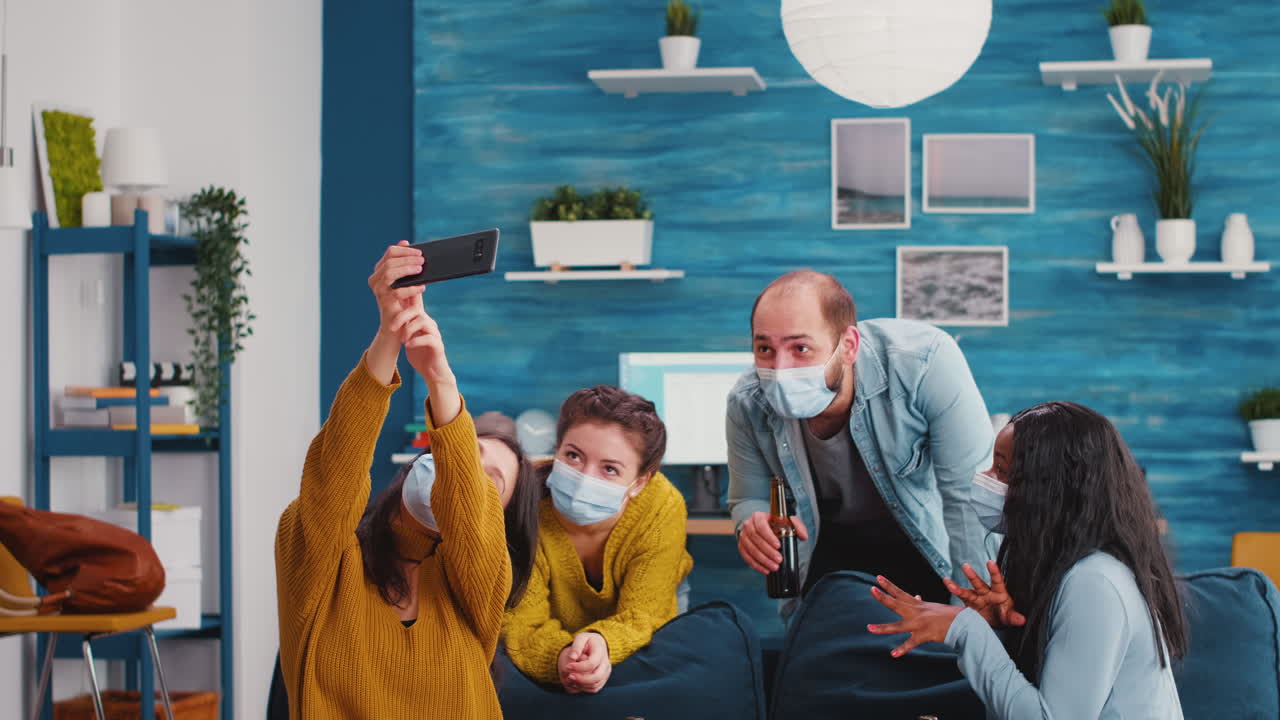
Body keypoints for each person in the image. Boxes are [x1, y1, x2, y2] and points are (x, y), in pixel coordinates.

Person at [275, 242, 541, 719]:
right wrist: (390, 338)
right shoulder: (322, 561)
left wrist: (441, 379)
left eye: (492, 483)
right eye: (465, 453)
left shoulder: (479, 592)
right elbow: (334, 477)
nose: (467, 477)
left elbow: (470, 524)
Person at [867, 401, 1187, 719]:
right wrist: (1004, 632)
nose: (984, 479)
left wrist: (965, 629)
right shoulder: (1074, 574)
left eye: (1002, 472)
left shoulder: (1095, 584)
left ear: (1049, 490)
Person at [727, 270, 996, 616]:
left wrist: (971, 616)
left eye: (801, 348)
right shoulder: (747, 402)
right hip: (829, 562)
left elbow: (969, 498)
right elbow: (747, 497)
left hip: (925, 550)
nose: (780, 369)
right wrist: (752, 522)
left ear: (849, 346)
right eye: (764, 348)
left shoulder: (924, 362)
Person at [502, 385, 693, 694]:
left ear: (639, 483)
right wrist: (562, 657)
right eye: (573, 455)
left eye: (609, 469)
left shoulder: (662, 507)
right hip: (547, 628)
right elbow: (522, 623)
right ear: (557, 447)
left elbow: (644, 614)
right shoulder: (524, 503)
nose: (585, 478)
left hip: (648, 609)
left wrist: (604, 642)